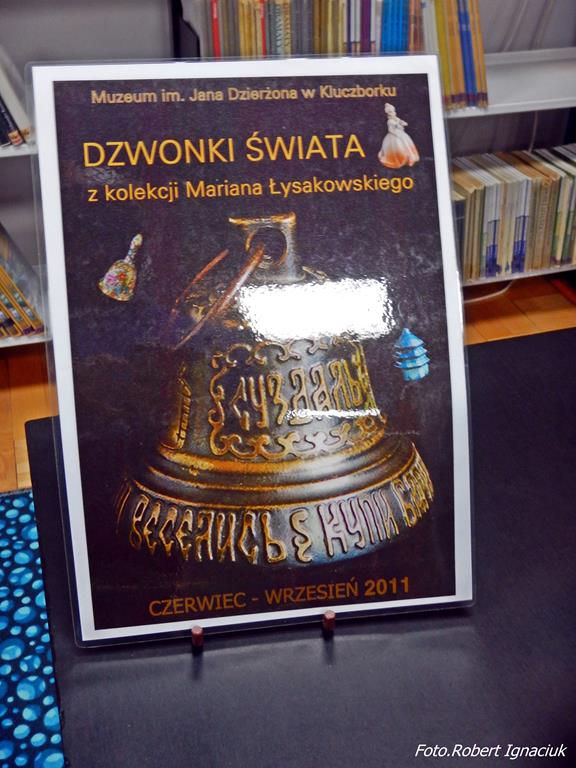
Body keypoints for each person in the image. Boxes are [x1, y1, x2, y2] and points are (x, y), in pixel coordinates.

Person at [378, 103, 420, 169]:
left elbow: (402, 122)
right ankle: (401, 158)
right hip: (394, 135)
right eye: (391, 112)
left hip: (401, 133)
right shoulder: (390, 121)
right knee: (397, 146)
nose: (393, 113)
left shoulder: (396, 118)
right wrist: (397, 134)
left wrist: (403, 123)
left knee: (406, 144)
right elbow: (390, 130)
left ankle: (409, 158)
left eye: (393, 111)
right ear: (388, 113)